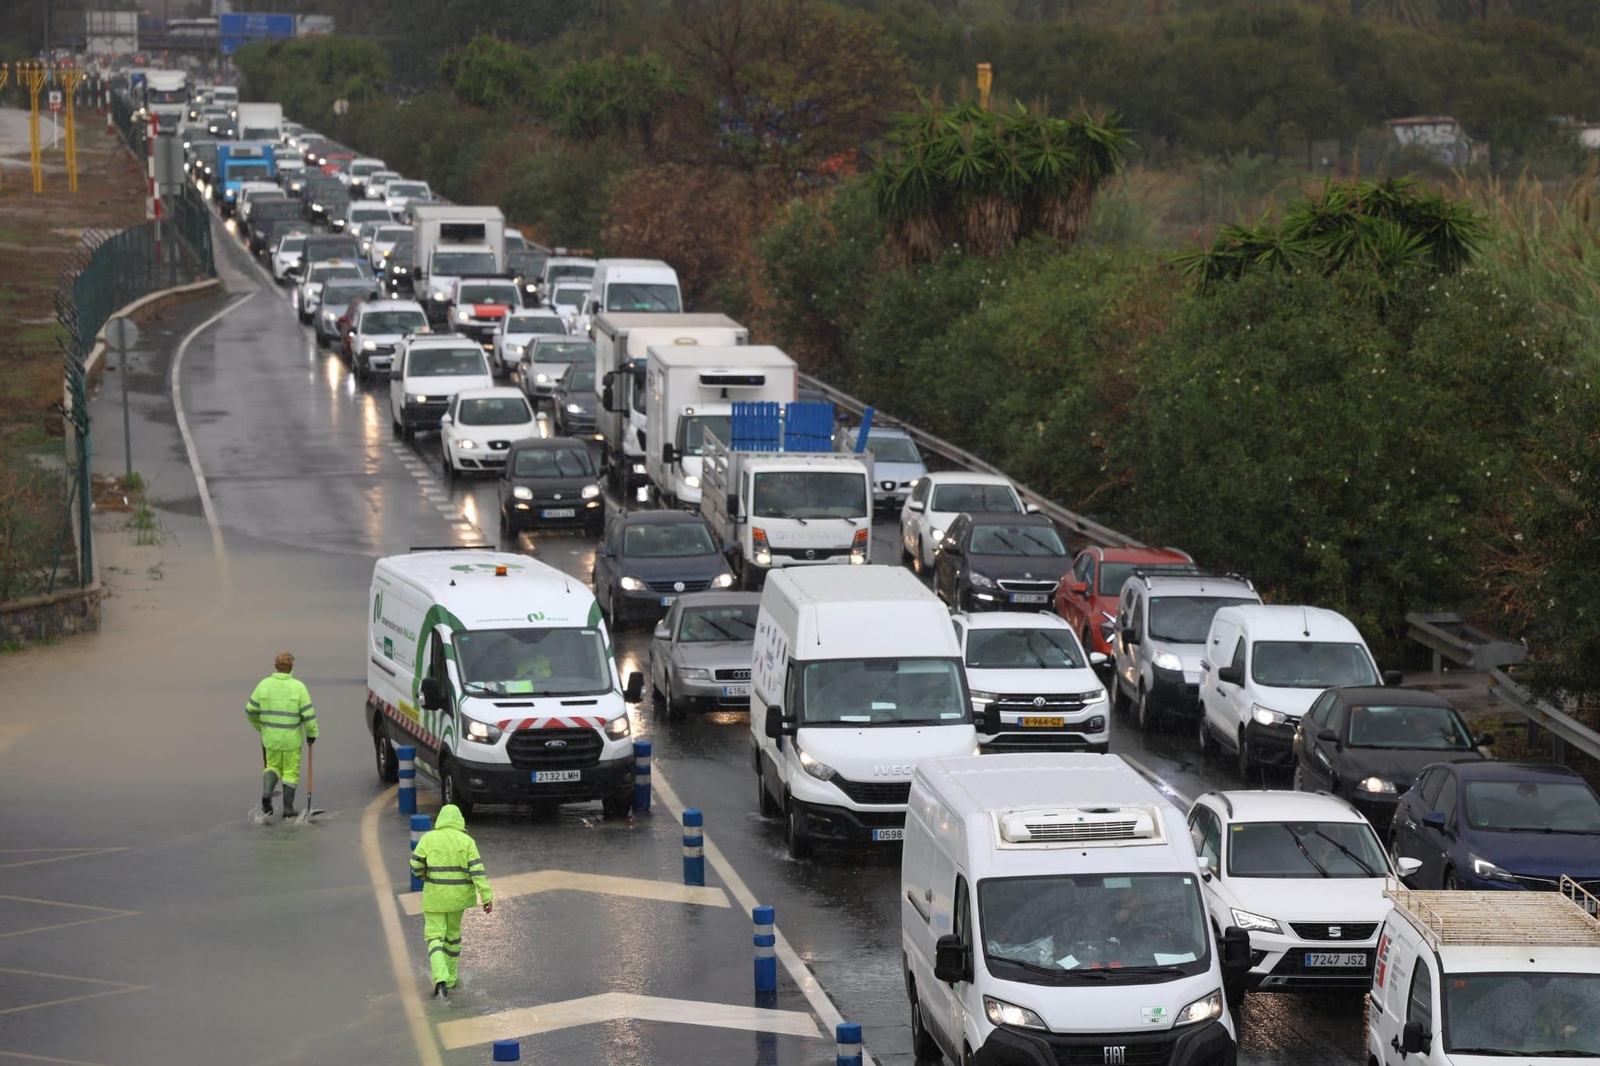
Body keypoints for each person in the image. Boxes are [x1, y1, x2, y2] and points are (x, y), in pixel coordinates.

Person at [408, 804, 494, 998]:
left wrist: (424, 875)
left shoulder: (428, 839)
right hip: (458, 899)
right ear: (459, 820)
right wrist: (486, 896)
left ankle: (440, 978)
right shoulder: (467, 841)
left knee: (434, 937)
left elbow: (415, 865)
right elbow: (477, 871)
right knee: (453, 937)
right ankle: (451, 979)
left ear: (440, 819)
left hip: (435, 897)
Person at [246, 651, 318, 819]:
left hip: (270, 738)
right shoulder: (298, 687)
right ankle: (288, 808)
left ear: (276, 667)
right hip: (291, 740)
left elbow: (250, 709)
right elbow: (308, 714)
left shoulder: (264, 685)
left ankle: (266, 794)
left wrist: (261, 727)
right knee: (290, 773)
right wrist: (312, 733)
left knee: (272, 766)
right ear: (291, 667)